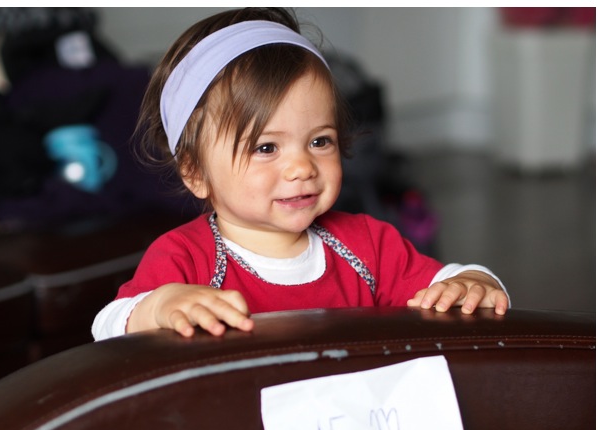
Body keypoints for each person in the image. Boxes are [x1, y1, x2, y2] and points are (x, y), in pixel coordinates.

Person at [92, 7, 509, 341]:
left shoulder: (368, 245)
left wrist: (472, 281)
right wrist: (160, 306)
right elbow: (108, 325)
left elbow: (442, 283)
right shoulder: (185, 258)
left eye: (320, 141)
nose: (301, 167)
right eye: (266, 147)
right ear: (195, 173)